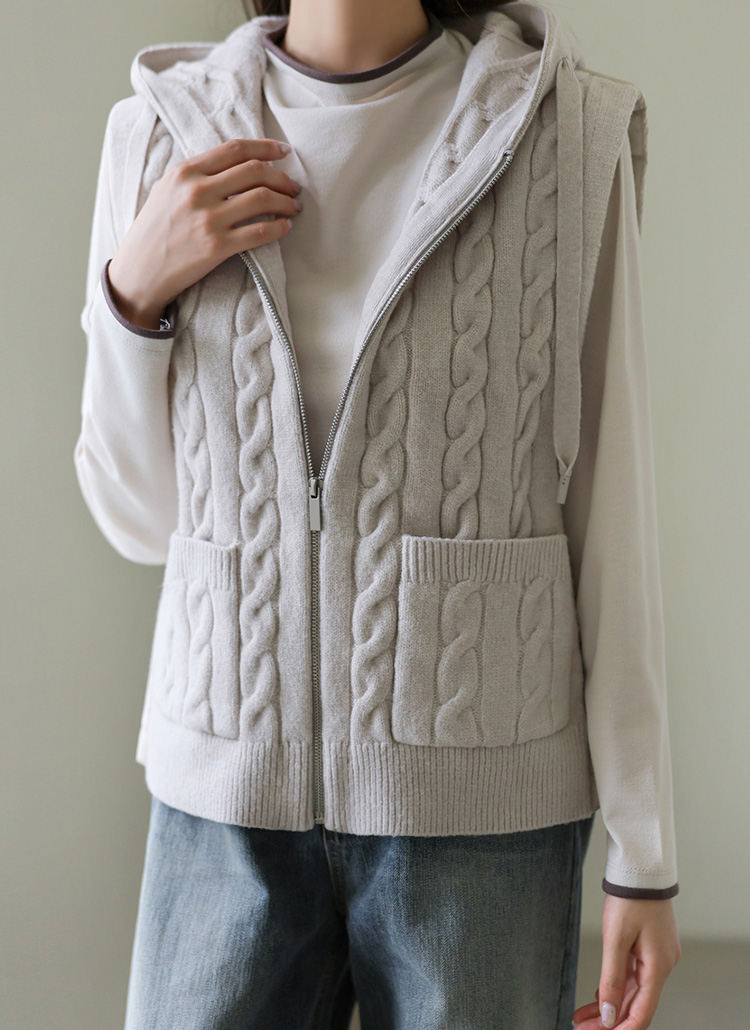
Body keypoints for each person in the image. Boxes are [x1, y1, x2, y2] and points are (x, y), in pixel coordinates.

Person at [73, 0, 682, 1027]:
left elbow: (614, 510)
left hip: (482, 816)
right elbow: (137, 520)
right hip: (221, 805)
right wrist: (134, 294)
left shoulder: (568, 135)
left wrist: (645, 851)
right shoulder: (157, 135)